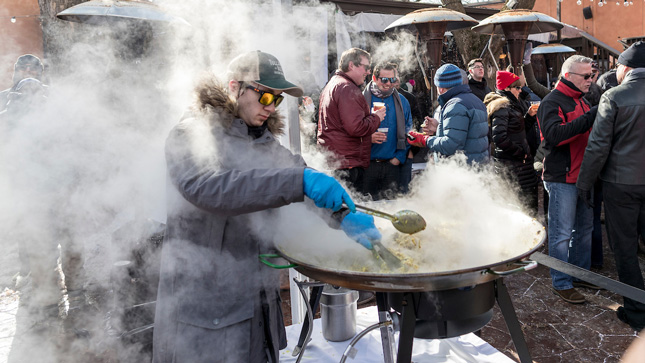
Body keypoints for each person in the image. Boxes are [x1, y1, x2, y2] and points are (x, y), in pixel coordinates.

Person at [152, 50, 382, 363]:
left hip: (256, 302)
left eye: (277, 100)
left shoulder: (261, 139)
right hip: (204, 310)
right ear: (235, 87)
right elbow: (209, 190)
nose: (271, 107)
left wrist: (343, 216)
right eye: (265, 97)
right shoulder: (190, 133)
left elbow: (297, 175)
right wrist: (298, 182)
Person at [576, 41, 645, 331]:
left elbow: (598, 147)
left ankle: (637, 311)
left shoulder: (613, 96)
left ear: (625, 68)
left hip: (621, 185)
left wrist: (584, 183)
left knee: (625, 248)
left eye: (616, 66)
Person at [537, 55, 600, 304]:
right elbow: (553, 136)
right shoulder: (552, 101)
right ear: (568, 76)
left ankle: (578, 274)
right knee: (562, 233)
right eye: (586, 76)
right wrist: (589, 118)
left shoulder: (581, 100)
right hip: (562, 178)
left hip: (583, 176)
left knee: (584, 230)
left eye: (592, 75)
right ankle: (561, 282)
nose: (590, 80)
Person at [317, 48, 385, 193]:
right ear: (351, 65)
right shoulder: (347, 88)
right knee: (349, 211)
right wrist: (376, 117)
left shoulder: (334, 83)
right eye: (366, 67)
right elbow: (356, 128)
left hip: (337, 162)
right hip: (347, 165)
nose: (368, 72)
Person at [407, 63, 489, 164]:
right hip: (477, 167)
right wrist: (439, 127)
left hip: (461, 170)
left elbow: (451, 145)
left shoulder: (455, 105)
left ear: (441, 88)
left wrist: (425, 140)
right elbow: (468, 135)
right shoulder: (475, 100)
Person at [484, 71, 539, 215]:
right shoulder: (502, 107)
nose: (520, 91)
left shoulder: (513, 104)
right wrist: (521, 153)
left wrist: (529, 117)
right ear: (507, 89)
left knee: (527, 207)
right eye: (517, 88)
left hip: (519, 165)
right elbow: (499, 138)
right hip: (512, 166)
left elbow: (518, 131)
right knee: (519, 209)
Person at [362, 62, 412, 200]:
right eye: (384, 79)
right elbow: (352, 130)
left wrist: (398, 158)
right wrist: (368, 137)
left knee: (391, 209)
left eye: (392, 79)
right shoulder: (361, 99)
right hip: (367, 165)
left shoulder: (402, 101)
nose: (388, 83)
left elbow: (409, 132)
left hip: (392, 165)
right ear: (374, 78)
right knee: (368, 209)